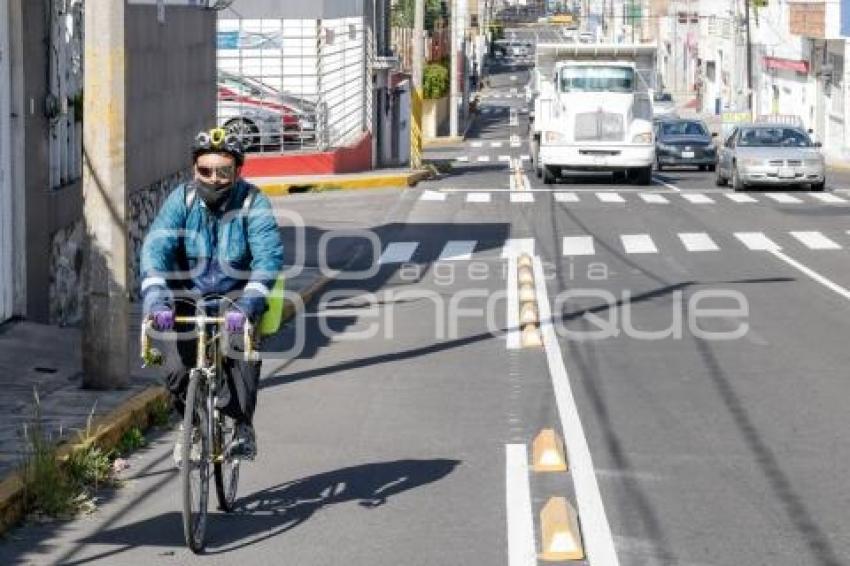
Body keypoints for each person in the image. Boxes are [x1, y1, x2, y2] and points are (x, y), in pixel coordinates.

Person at [140, 127, 284, 462]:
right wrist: (156, 296)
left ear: (237, 171)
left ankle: (242, 425)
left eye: (223, 171)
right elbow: (156, 246)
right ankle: (189, 422)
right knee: (174, 368)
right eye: (205, 171)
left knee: (240, 352)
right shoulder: (183, 200)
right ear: (194, 170)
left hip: (237, 294)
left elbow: (268, 257)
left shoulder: (253, 201)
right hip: (186, 294)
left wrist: (249, 304)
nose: (214, 179)